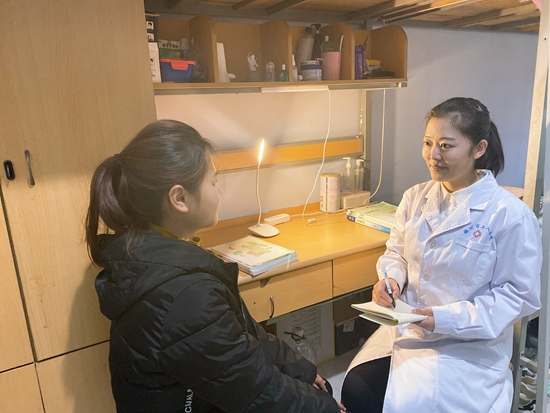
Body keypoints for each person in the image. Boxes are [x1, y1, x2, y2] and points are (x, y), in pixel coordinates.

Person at [86, 120, 345, 413]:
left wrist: (300, 370)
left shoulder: (152, 256)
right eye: (213, 182)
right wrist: (326, 408)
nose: (219, 191)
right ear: (179, 198)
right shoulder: (184, 294)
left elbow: (245, 339)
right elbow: (257, 391)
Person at [341, 97, 542, 413]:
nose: (433, 155)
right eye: (428, 143)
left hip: (467, 345)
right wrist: (391, 280)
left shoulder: (510, 216)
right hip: (407, 328)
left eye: (446, 146)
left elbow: (517, 296)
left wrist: (443, 318)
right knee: (356, 387)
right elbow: (396, 253)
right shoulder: (415, 197)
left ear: (479, 149)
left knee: (407, 402)